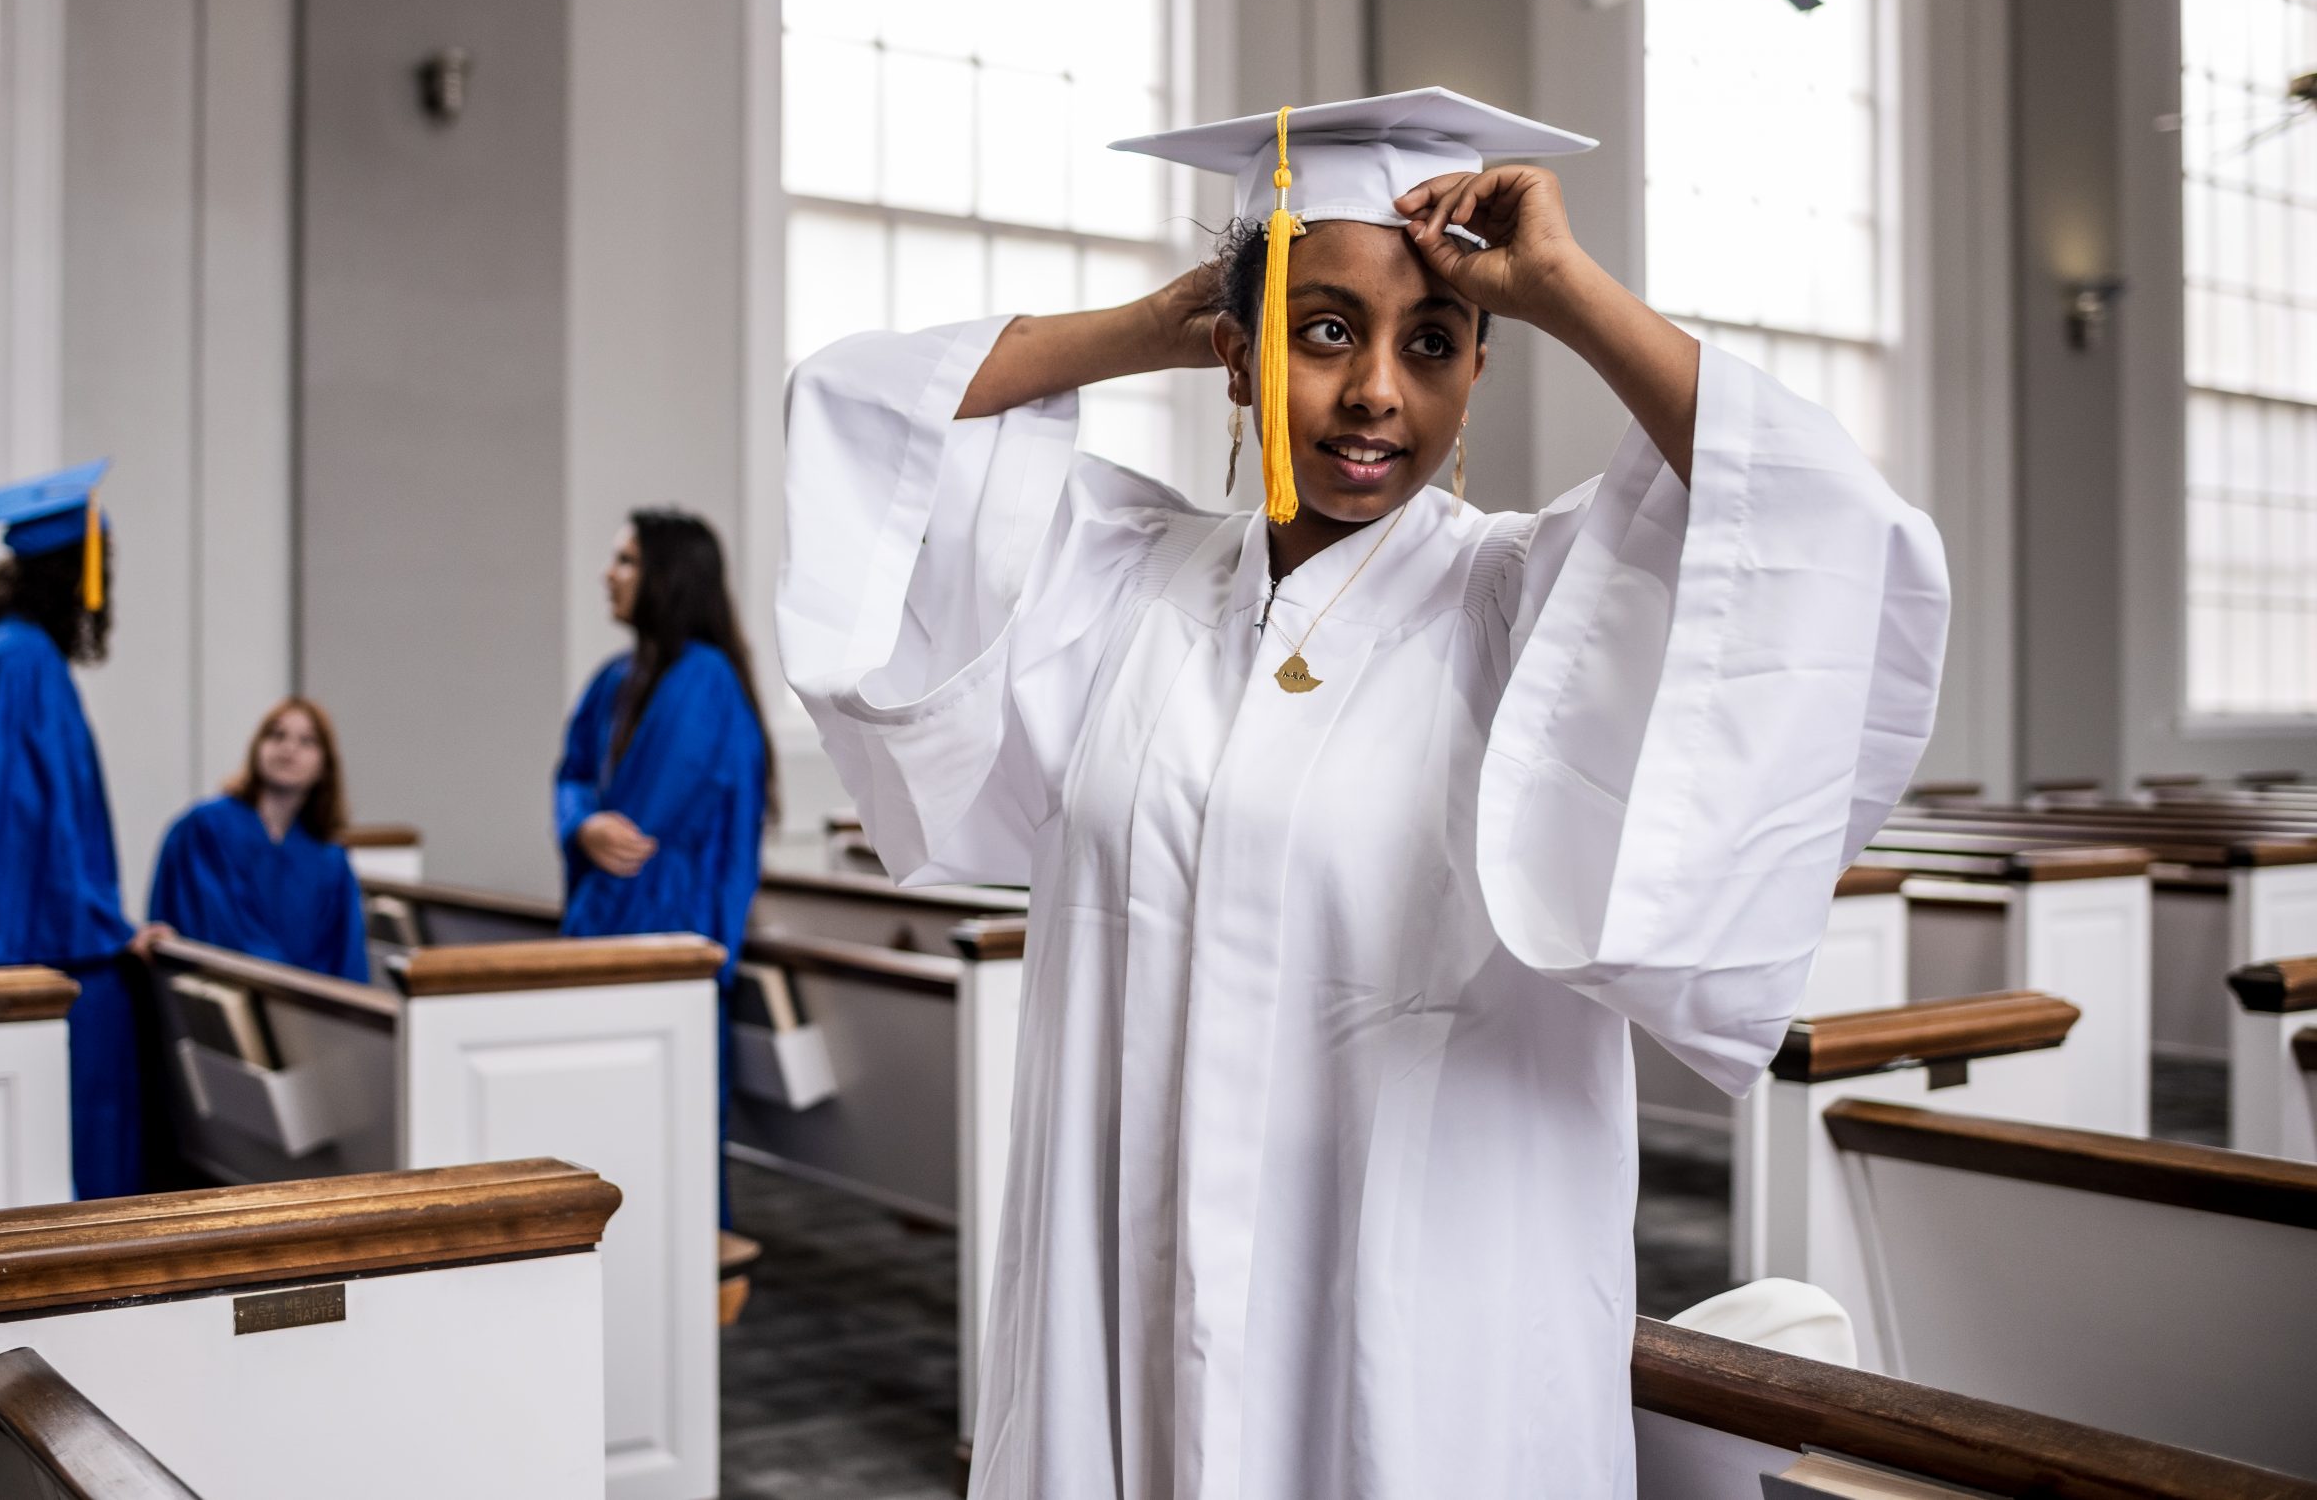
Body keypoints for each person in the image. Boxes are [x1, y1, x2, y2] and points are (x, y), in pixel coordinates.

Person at [777, 88, 1949, 1499]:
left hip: (1418, 1312)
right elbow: (858, 408)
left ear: (1475, 372)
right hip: (1136, 1283)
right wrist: (1189, 308)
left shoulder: (1532, 614)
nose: (1378, 389)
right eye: (1323, 329)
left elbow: (1826, 530)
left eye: (1433, 340)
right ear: (1240, 357)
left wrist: (1567, 290)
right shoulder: (1119, 587)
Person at [0, 459, 163, 1201]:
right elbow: (15, 831)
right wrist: (107, 927)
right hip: (48, 962)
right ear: (73, 573)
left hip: (36, 948)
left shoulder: (8, 655)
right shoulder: (22, 665)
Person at [554, 509, 772, 1216]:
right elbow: (574, 778)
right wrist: (580, 821)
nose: (607, 574)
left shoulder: (702, 681)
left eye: (625, 560)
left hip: (668, 929)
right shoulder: (615, 677)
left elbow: (639, 824)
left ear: (668, 577)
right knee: (611, 1127)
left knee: (666, 1132)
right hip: (616, 920)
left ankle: (688, 1284)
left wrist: (594, 820)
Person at [148, 698, 369, 983]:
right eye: (277, 735)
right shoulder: (206, 829)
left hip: (310, 1014)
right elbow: (217, 930)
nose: (289, 748)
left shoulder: (330, 859)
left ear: (325, 766)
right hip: (221, 998)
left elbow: (347, 959)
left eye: (307, 741)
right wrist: (289, 987)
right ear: (257, 748)